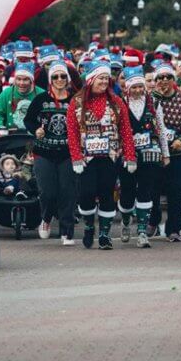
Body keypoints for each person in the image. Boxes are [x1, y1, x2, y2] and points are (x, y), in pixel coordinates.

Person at [67, 60, 136, 250]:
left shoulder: (116, 102)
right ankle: (89, 225)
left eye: (107, 78)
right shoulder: (77, 101)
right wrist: (76, 157)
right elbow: (72, 132)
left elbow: (126, 131)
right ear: (91, 80)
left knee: (107, 193)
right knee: (86, 194)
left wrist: (130, 156)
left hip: (110, 156)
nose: (104, 82)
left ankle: (105, 235)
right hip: (86, 158)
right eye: (101, 78)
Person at [24, 60, 77, 245]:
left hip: (68, 152)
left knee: (67, 191)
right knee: (47, 192)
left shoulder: (75, 100)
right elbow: (28, 120)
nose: (59, 79)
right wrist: (35, 129)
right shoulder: (41, 99)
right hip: (44, 151)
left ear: (68, 78)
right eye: (55, 76)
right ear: (50, 79)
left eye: (63, 76)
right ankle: (46, 218)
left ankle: (66, 230)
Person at [118, 66, 170, 248]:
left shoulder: (154, 103)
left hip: (150, 153)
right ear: (128, 87)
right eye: (134, 87)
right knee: (127, 192)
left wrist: (166, 153)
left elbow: (161, 129)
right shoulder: (120, 104)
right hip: (126, 156)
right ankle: (125, 221)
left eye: (141, 86)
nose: (138, 90)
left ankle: (141, 231)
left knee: (145, 191)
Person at [149, 63, 181, 242]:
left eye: (168, 77)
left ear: (173, 79)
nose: (164, 81)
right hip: (155, 152)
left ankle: (173, 229)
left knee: (175, 191)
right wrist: (155, 99)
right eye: (160, 78)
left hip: (178, 153)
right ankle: (153, 220)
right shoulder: (149, 98)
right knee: (152, 189)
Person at [0, 62, 43, 134]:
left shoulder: (41, 94)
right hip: (11, 137)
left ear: (31, 80)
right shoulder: (7, 93)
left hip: (34, 137)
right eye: (18, 79)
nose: (21, 83)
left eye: (25, 79)